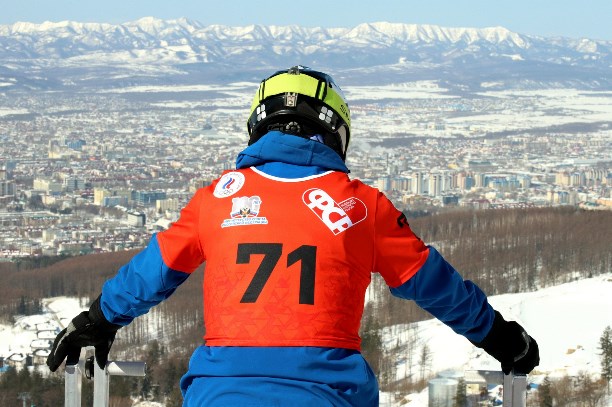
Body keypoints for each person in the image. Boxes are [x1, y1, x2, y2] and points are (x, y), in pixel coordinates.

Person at [47, 65, 539, 406]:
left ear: (258, 126)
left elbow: (152, 272)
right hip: (327, 394)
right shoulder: (362, 207)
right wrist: (499, 336)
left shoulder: (216, 200)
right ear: (336, 131)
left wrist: (99, 319)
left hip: (219, 394)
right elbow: (436, 286)